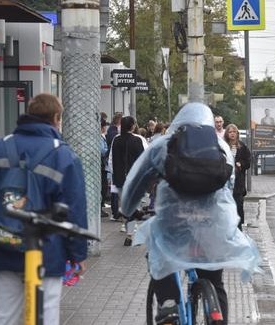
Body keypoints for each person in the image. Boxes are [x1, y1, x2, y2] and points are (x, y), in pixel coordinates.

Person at [120, 102, 261, 325]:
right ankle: (216, 315)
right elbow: (230, 187)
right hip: (213, 225)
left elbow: (136, 184)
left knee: (158, 251)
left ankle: (169, 305)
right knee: (215, 281)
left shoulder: (163, 145)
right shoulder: (221, 147)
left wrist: (127, 210)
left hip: (175, 222)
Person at [0, 93, 88, 325]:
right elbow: (74, 209)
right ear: (56, 117)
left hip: (0, 247)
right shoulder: (63, 155)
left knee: (1, 316)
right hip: (47, 252)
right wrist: (78, 254)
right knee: (44, 315)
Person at [109, 116, 146, 243]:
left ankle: (125, 224)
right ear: (132, 126)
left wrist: (113, 174)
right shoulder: (137, 140)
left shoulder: (116, 140)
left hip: (119, 178)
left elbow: (111, 159)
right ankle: (130, 234)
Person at [224, 124, 251, 230]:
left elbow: (248, 162)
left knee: (238, 205)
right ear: (227, 133)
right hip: (226, 181)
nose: (232, 134)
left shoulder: (242, 147)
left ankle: (238, 228)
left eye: (234, 132)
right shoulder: (224, 146)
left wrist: (241, 164)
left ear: (237, 134)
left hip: (238, 182)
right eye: (230, 132)